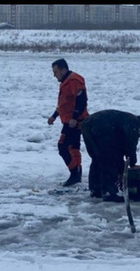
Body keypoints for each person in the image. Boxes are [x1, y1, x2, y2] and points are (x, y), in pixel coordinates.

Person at [81, 110, 140, 202]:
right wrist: (132, 164)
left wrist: (123, 167)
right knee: (110, 160)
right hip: (102, 126)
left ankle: (95, 189)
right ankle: (109, 193)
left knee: (98, 158)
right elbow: (130, 145)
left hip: (87, 124)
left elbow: (121, 149)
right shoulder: (133, 123)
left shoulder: (125, 119)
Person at [47, 58, 89, 187]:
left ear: (63, 69)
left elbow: (82, 100)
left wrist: (75, 118)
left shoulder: (74, 80)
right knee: (73, 147)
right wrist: (54, 116)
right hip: (68, 120)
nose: (54, 75)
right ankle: (76, 173)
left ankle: (74, 173)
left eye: (56, 72)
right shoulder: (65, 81)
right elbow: (65, 103)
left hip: (75, 122)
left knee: (63, 146)